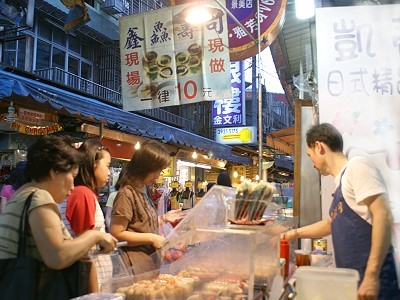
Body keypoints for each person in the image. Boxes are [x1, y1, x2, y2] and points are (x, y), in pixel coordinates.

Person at [283, 123, 399, 300]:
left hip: (374, 285)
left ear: (319, 146)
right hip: (354, 283)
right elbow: (332, 223)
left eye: (309, 155)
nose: (312, 163)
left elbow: (383, 215)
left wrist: (371, 275)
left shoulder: (357, 166)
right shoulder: (341, 183)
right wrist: (292, 234)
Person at [0, 135, 117, 271]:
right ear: (54, 172)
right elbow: (57, 256)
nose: (73, 187)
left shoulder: (22, 194)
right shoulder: (39, 198)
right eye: (72, 176)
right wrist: (95, 235)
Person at [109, 140, 183, 275]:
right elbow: (116, 233)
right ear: (146, 167)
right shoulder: (127, 193)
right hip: (134, 267)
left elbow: (140, 223)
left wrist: (163, 219)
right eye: (157, 170)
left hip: (149, 265)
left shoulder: (144, 190)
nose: (158, 176)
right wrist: (152, 238)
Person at [59, 139, 114, 290]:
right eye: (107, 166)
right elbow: (86, 252)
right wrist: (94, 294)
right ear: (93, 163)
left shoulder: (83, 193)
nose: (109, 172)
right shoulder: (82, 193)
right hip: (88, 285)